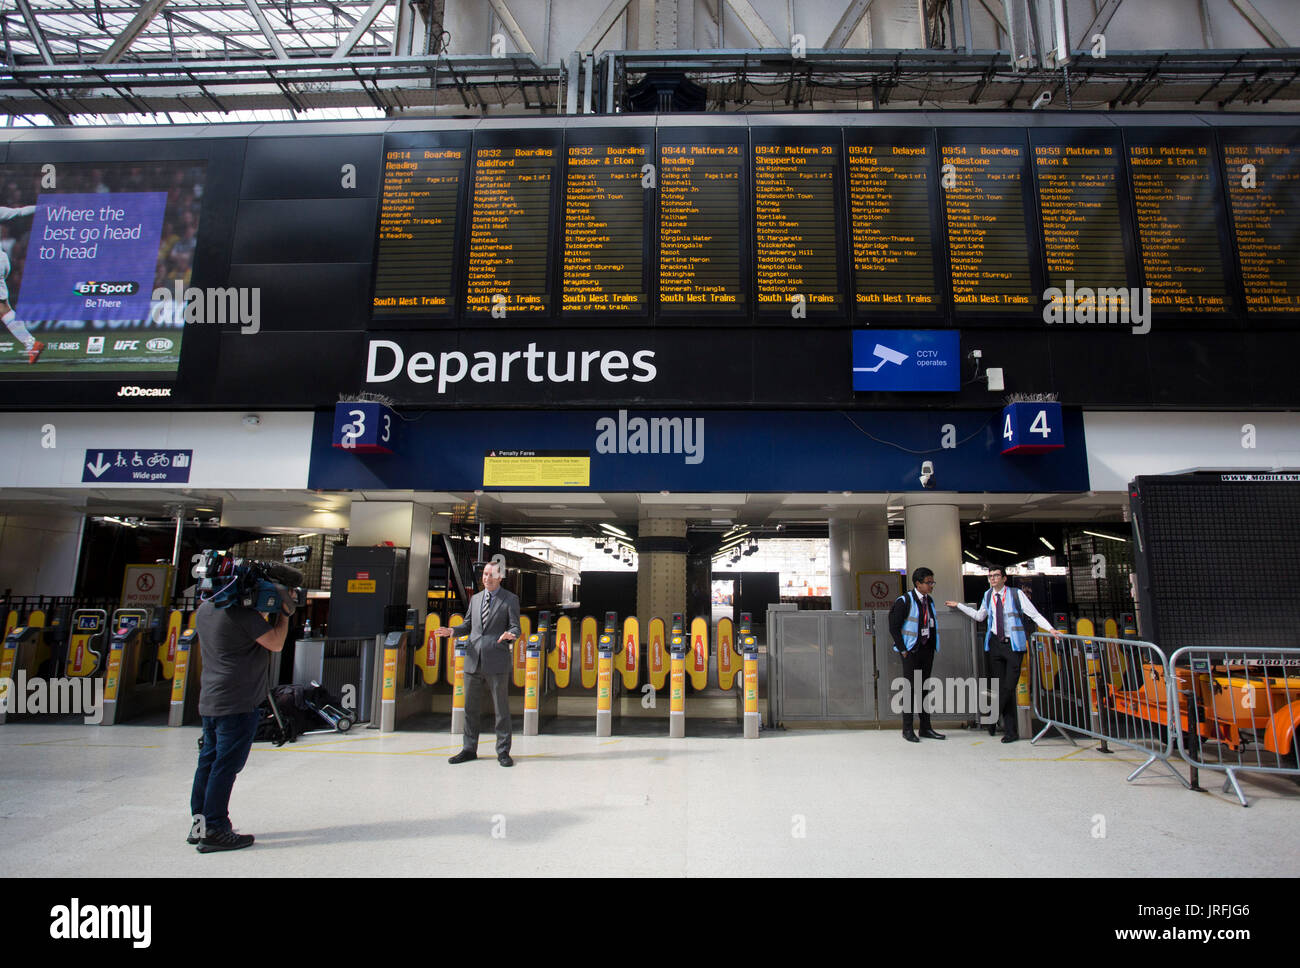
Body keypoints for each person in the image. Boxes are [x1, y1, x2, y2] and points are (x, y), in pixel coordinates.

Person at [188, 586, 294, 852]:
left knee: (208, 762)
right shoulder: (240, 615)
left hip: (212, 699)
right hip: (237, 702)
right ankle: (215, 829)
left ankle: (200, 824)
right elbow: (277, 643)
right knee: (225, 766)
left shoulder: (205, 610)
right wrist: (284, 614)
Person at [946, 566, 1054, 743]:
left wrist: (1051, 629)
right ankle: (1010, 731)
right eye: (990, 576)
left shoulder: (1016, 594)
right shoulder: (988, 595)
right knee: (1001, 687)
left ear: (1004, 578)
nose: (992, 579)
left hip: (1013, 646)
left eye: (996, 575)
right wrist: (959, 606)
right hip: (995, 645)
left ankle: (992, 717)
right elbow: (980, 616)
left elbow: (1034, 615)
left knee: (1009, 686)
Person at [435, 560, 520, 767]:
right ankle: (469, 748)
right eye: (484, 574)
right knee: (470, 708)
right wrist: (453, 631)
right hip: (473, 661)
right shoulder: (475, 599)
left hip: (496, 660)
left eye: (491, 575)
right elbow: (468, 624)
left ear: (500, 578)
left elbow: (516, 626)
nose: (486, 578)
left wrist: (511, 635)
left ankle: (503, 751)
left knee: (501, 709)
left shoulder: (510, 599)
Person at [889, 567, 945, 743]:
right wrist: (903, 650)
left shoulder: (930, 601)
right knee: (910, 690)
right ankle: (907, 729)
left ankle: (926, 728)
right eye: (928, 582)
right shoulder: (904, 601)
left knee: (924, 689)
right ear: (918, 584)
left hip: (926, 650)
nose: (931, 585)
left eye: (932, 582)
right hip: (911, 651)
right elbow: (894, 627)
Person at [0, 204, 42, 363]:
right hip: (2, 259)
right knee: (3, 308)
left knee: (3, 309)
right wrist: (41, 207)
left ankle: (31, 344)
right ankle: (32, 344)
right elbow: (19, 212)